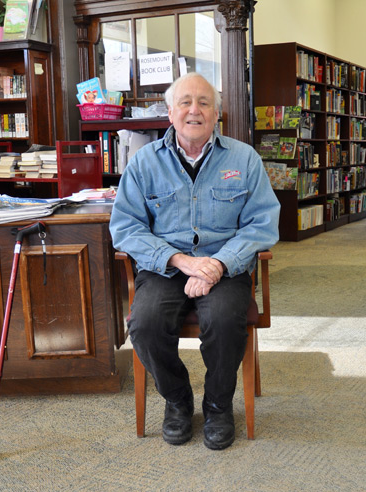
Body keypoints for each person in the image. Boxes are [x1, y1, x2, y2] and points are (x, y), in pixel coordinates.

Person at [109, 72, 280, 450]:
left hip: (226, 266)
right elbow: (125, 229)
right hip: (165, 266)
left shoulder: (244, 158)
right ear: (169, 112)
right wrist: (180, 261)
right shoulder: (143, 163)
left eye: (204, 102)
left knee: (223, 319)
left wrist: (218, 264)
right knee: (146, 324)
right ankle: (177, 399)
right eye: (185, 102)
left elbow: (262, 224)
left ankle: (218, 405)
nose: (194, 110)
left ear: (217, 114)